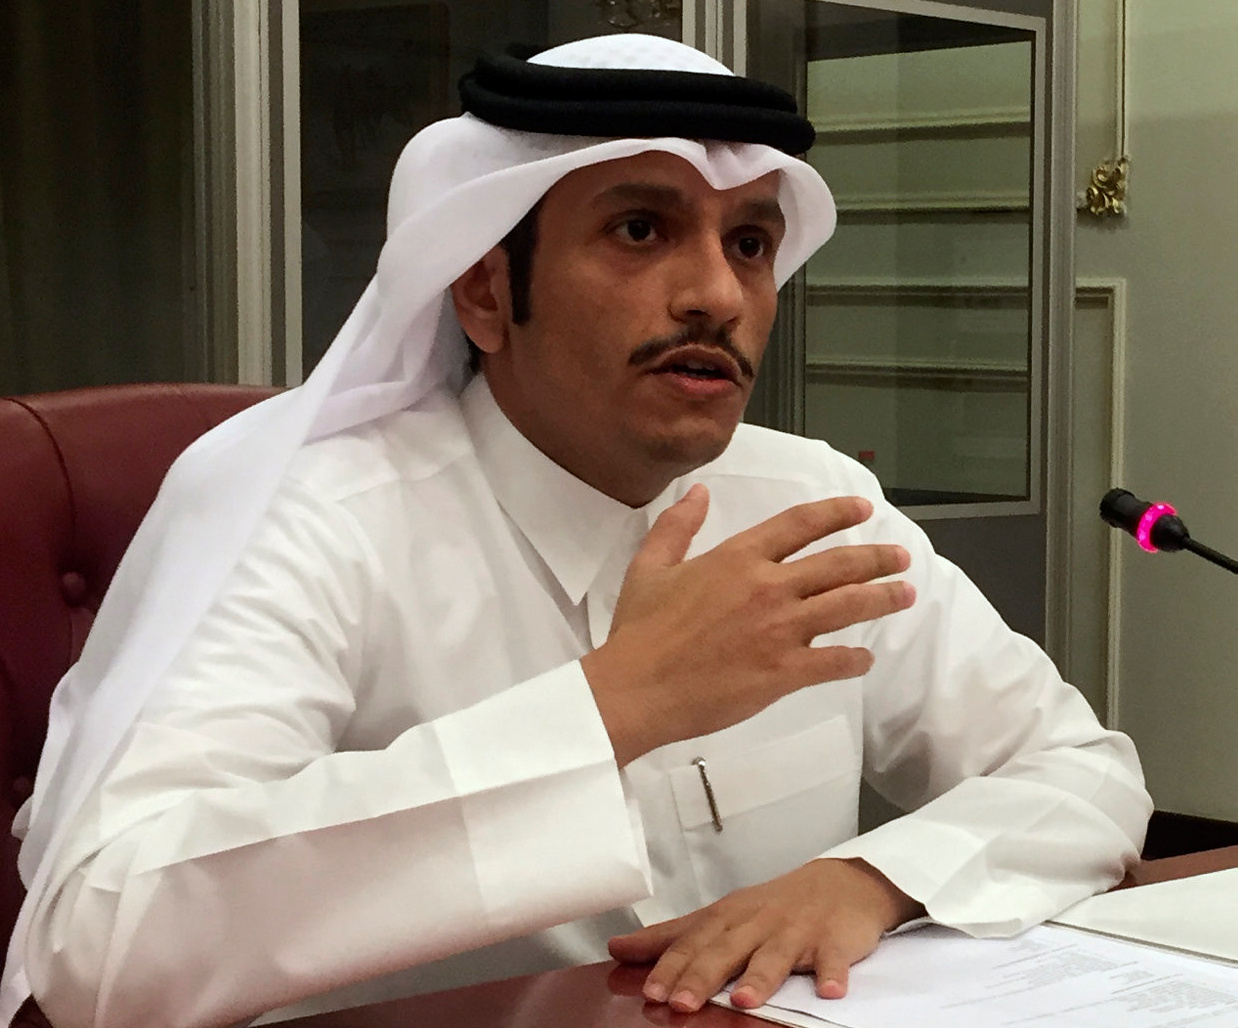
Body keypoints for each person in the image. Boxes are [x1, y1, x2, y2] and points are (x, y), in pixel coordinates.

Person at [3, 33, 1151, 1028]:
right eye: (640, 229)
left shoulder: (808, 501)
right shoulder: (314, 521)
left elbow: (1081, 773)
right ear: (483, 292)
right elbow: (101, 946)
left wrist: (873, 877)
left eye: (749, 243)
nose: (715, 294)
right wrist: (614, 706)